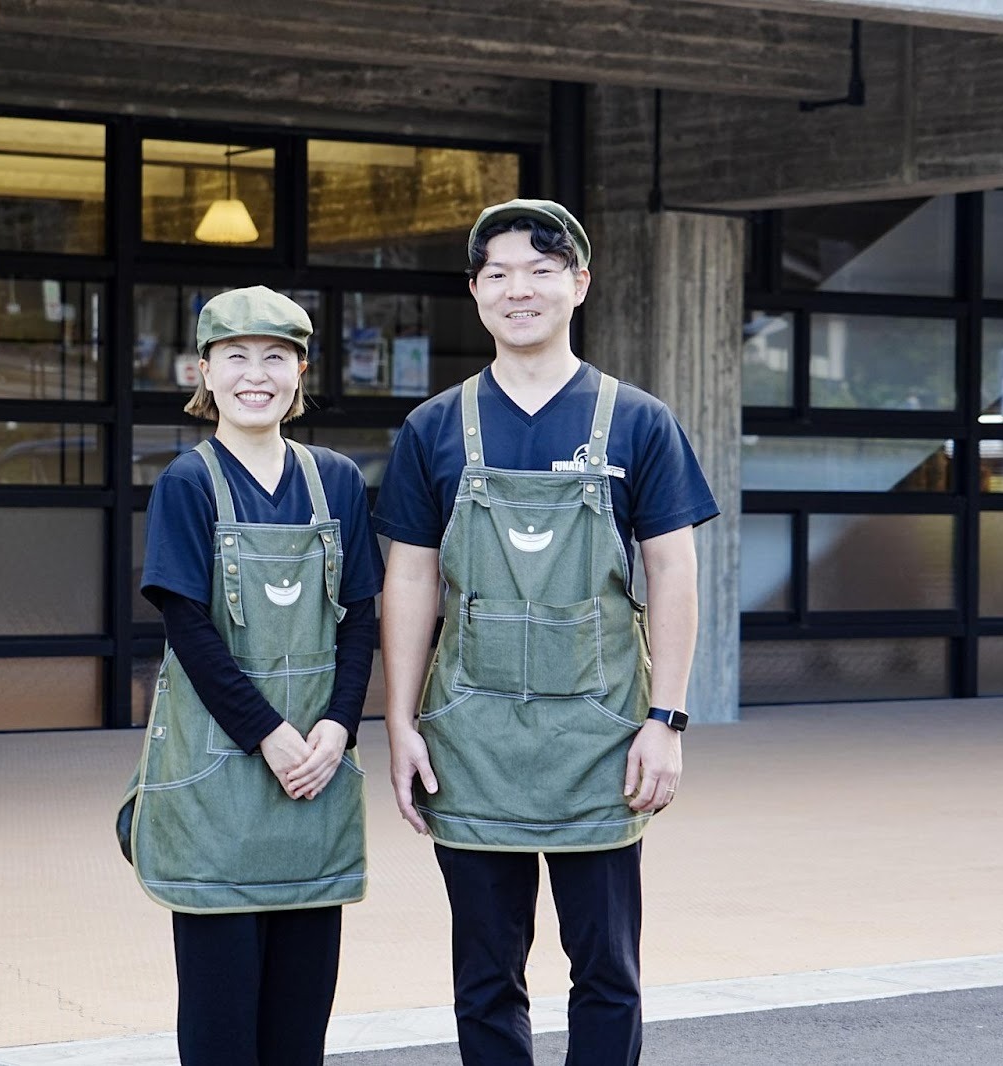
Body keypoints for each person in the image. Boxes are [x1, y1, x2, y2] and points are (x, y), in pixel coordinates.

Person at [374, 199, 719, 1065]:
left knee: (607, 968)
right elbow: (410, 578)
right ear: (475, 291)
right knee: (485, 972)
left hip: (601, 733)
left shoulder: (639, 421)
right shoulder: (433, 427)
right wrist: (401, 723)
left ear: (580, 285)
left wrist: (666, 721)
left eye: (541, 270)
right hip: (471, 735)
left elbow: (673, 573)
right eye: (498, 273)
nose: (518, 289)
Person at [117, 286, 384, 1066]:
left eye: (276, 357)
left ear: (301, 371)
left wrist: (337, 727)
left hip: (318, 770)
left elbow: (358, 617)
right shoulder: (187, 484)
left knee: (301, 1026)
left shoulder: (334, 480)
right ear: (205, 371)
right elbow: (190, 633)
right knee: (221, 1027)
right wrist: (272, 737)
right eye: (235, 358)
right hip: (216, 779)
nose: (255, 375)